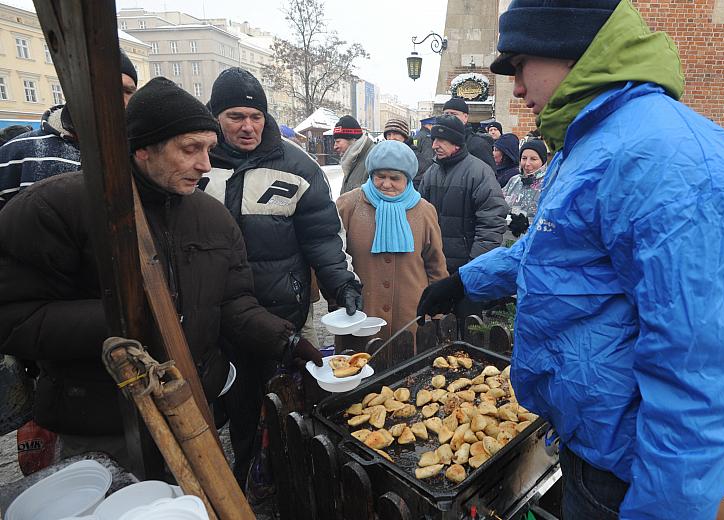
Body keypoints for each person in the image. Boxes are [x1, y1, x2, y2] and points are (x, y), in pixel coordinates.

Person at [417, 1, 724, 519]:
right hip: (590, 446)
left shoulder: (668, 157)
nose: (515, 87)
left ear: (570, 51)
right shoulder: (593, 142)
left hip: (630, 478)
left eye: (518, 65)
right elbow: (558, 249)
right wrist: (468, 281)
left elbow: (701, 375)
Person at [0, 77, 323, 467]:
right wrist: (135, 318)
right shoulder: (56, 207)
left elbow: (233, 302)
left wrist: (285, 341)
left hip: (191, 409)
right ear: (142, 150)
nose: (205, 165)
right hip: (103, 423)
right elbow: (14, 317)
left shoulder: (211, 216)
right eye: (190, 149)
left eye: (208, 149)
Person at [202, 67, 361, 485]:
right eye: (236, 117)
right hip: (211, 310)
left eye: (256, 117)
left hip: (278, 309)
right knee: (230, 401)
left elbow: (323, 236)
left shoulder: (297, 165)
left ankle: (277, 469)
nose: (248, 126)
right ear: (216, 115)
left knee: (280, 396)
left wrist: (341, 284)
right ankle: (239, 470)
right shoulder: (197, 160)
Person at [336, 140, 447, 349]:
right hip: (361, 315)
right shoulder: (348, 205)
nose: (386, 184)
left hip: (410, 315)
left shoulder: (424, 211)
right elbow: (333, 258)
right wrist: (339, 298)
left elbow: (435, 265)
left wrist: (438, 311)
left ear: (408, 178)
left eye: (395, 178)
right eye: (380, 177)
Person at [0, 50, 138, 210]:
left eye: (128, 91)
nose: (121, 100)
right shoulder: (18, 151)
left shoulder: (140, 153)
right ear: (78, 91)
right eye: (109, 88)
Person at [419, 114, 508, 275]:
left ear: (456, 143)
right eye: (434, 139)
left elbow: (492, 224)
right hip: (433, 268)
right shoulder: (431, 173)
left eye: (441, 140)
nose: (434, 145)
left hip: (466, 270)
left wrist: (473, 266)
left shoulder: (479, 173)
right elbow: (420, 219)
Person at [503, 139, 548, 237]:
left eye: (533, 159)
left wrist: (527, 225)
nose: (527, 163)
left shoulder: (549, 185)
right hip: (509, 242)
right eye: (524, 158)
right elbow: (500, 206)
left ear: (543, 161)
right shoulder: (513, 181)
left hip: (535, 243)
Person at [442, 97, 496, 172]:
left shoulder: (478, 145)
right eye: (446, 114)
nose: (449, 117)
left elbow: (489, 176)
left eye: (454, 114)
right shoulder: (439, 142)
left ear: (465, 117)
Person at [333, 115, 374, 194]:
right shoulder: (351, 160)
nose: (335, 146)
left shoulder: (372, 159)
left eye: (338, 141)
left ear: (353, 140)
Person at [412, 116, 435, 189]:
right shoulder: (427, 137)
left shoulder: (417, 135)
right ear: (428, 125)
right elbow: (428, 158)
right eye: (433, 125)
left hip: (415, 172)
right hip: (422, 176)